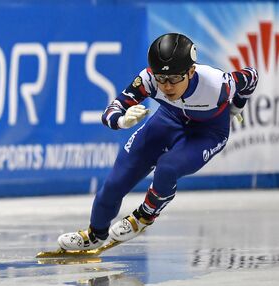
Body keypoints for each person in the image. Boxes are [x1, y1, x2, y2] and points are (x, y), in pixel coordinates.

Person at [58, 33, 258, 251]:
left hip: (207, 132)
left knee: (168, 167)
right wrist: (122, 120)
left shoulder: (217, 84)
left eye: (173, 79)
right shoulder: (149, 79)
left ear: (191, 71)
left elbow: (251, 77)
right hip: (169, 120)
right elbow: (111, 111)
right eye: (161, 79)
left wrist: (237, 106)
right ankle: (95, 235)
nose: (167, 87)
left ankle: (145, 215)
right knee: (114, 184)